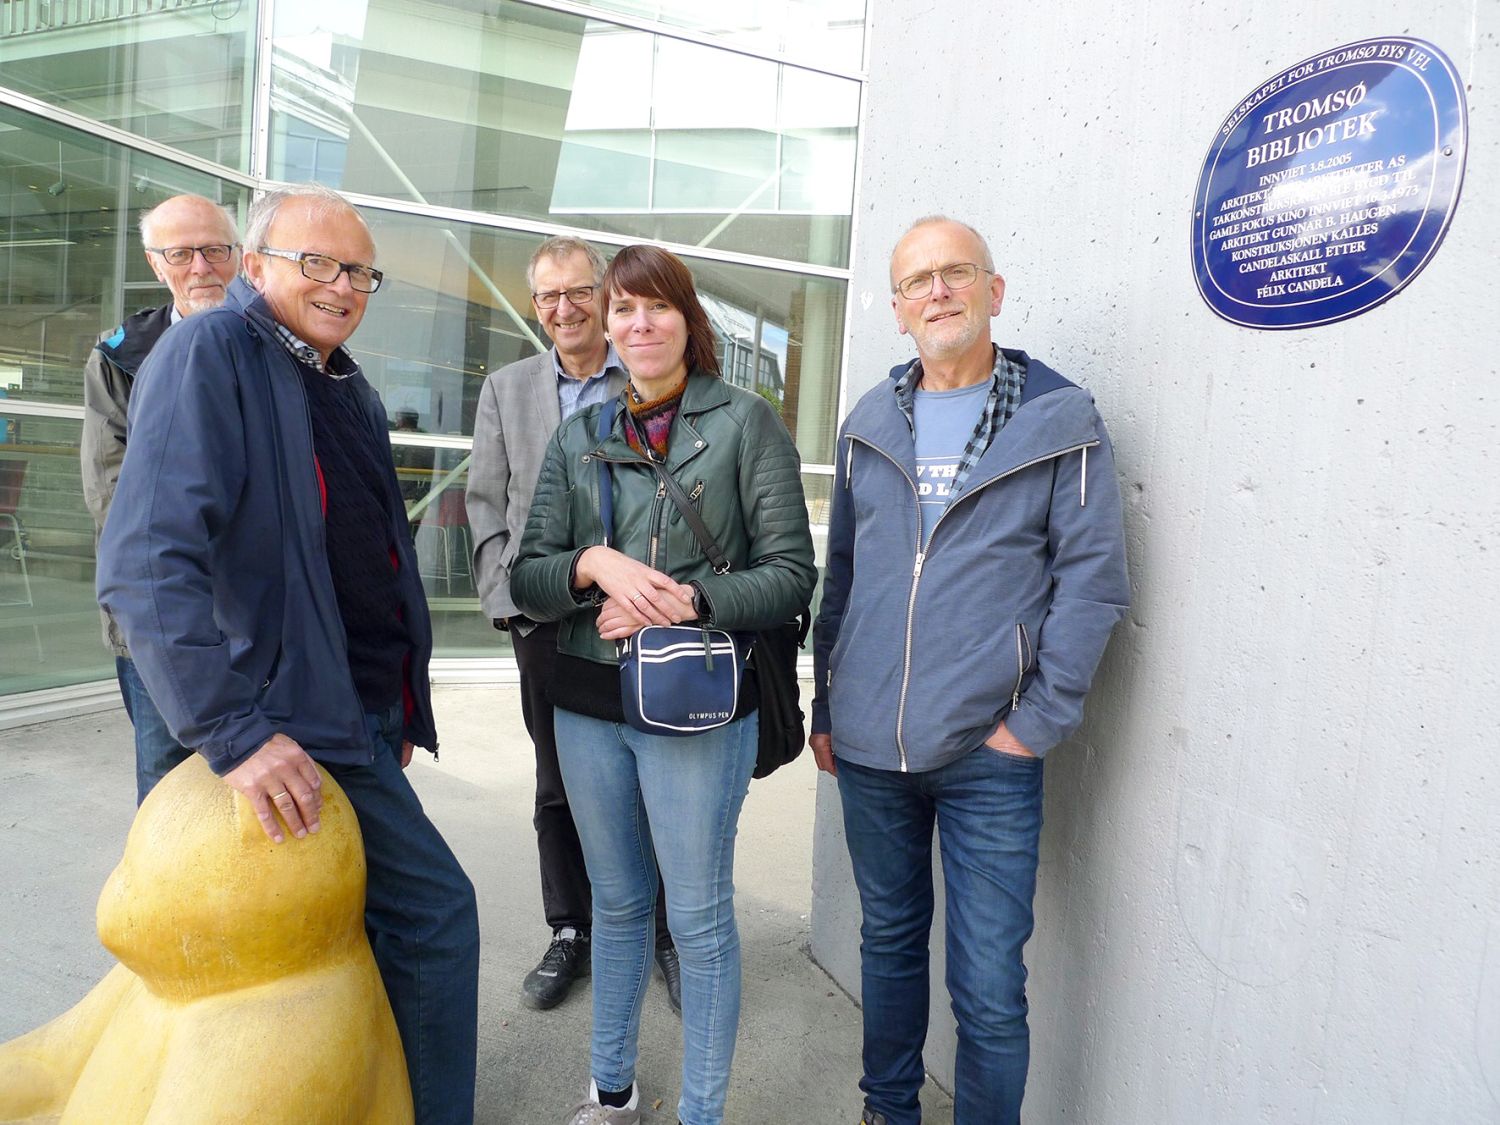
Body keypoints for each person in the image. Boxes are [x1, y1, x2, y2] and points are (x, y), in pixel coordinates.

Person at [96, 183, 480, 1125]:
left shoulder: (342, 381)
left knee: (353, 923)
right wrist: (234, 731)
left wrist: (399, 702)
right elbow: (145, 563)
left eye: (359, 272)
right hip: (292, 716)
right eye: (318, 263)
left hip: (357, 707)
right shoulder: (213, 350)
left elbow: (368, 553)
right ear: (256, 263)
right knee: (435, 915)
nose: (342, 285)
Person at [810, 216, 1130, 1125]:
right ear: (898, 309)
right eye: (918, 281)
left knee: (988, 988)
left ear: (994, 290)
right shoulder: (869, 422)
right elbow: (843, 578)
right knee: (888, 945)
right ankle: (888, 1110)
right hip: (870, 748)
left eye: (957, 272)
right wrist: (828, 704)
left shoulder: (1059, 420)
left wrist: (1032, 725)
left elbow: (1094, 583)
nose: (938, 291)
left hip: (991, 753)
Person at [511, 244, 816, 1125]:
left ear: (688, 319)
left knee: (698, 916)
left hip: (698, 703)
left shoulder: (746, 423)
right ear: (607, 327)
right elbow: (529, 577)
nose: (638, 323)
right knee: (614, 904)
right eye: (623, 309)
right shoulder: (581, 436)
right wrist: (592, 563)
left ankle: (700, 1114)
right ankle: (610, 1093)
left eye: (657, 306)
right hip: (588, 702)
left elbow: (792, 574)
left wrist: (688, 601)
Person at [467, 236, 681, 1014]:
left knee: (658, 776)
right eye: (549, 296)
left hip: (642, 613)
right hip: (548, 617)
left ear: (605, 296)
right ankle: (571, 928)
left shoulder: (649, 372)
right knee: (558, 782)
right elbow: (486, 503)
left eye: (579, 291)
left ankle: (665, 931)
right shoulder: (507, 388)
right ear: (536, 307)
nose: (565, 308)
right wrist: (509, 604)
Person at [80, 193, 240, 804]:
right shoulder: (120, 355)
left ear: (239, 255)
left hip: (262, 615)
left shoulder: (276, 344)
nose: (201, 267)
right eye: (181, 253)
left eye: (215, 249)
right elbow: (112, 492)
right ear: (155, 263)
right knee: (169, 784)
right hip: (164, 613)